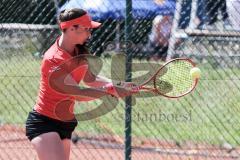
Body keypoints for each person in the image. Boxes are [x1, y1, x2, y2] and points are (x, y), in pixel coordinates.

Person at [25, 8, 135, 160]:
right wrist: (110, 90)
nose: (89, 34)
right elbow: (78, 94)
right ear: (71, 28)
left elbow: (91, 79)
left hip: (66, 122)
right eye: (86, 29)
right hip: (45, 122)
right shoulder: (53, 59)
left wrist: (119, 84)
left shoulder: (79, 51)